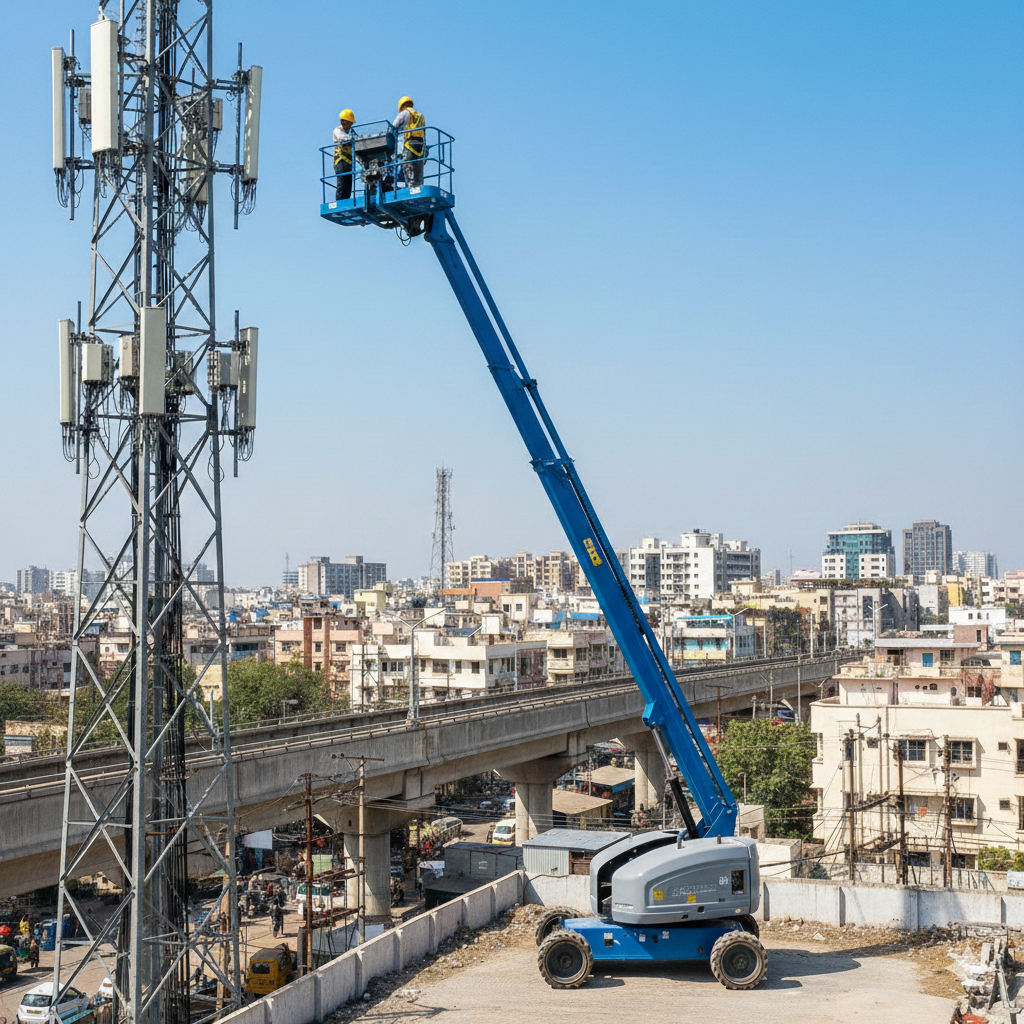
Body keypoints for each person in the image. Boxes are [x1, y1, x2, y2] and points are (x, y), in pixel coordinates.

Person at [392, 96, 426, 189]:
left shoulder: (404, 113)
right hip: (420, 147)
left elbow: (393, 127)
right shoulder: (420, 116)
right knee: (417, 170)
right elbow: (424, 133)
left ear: (401, 106)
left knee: (406, 164)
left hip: (409, 145)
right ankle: (419, 187)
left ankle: (409, 188)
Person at [333, 109, 357, 201]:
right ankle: (339, 202)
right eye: (348, 123)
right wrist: (354, 140)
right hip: (340, 161)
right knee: (342, 183)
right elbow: (342, 137)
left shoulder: (351, 133)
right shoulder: (338, 130)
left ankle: (346, 202)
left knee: (348, 184)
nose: (349, 126)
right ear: (343, 122)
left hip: (349, 164)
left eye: (351, 124)